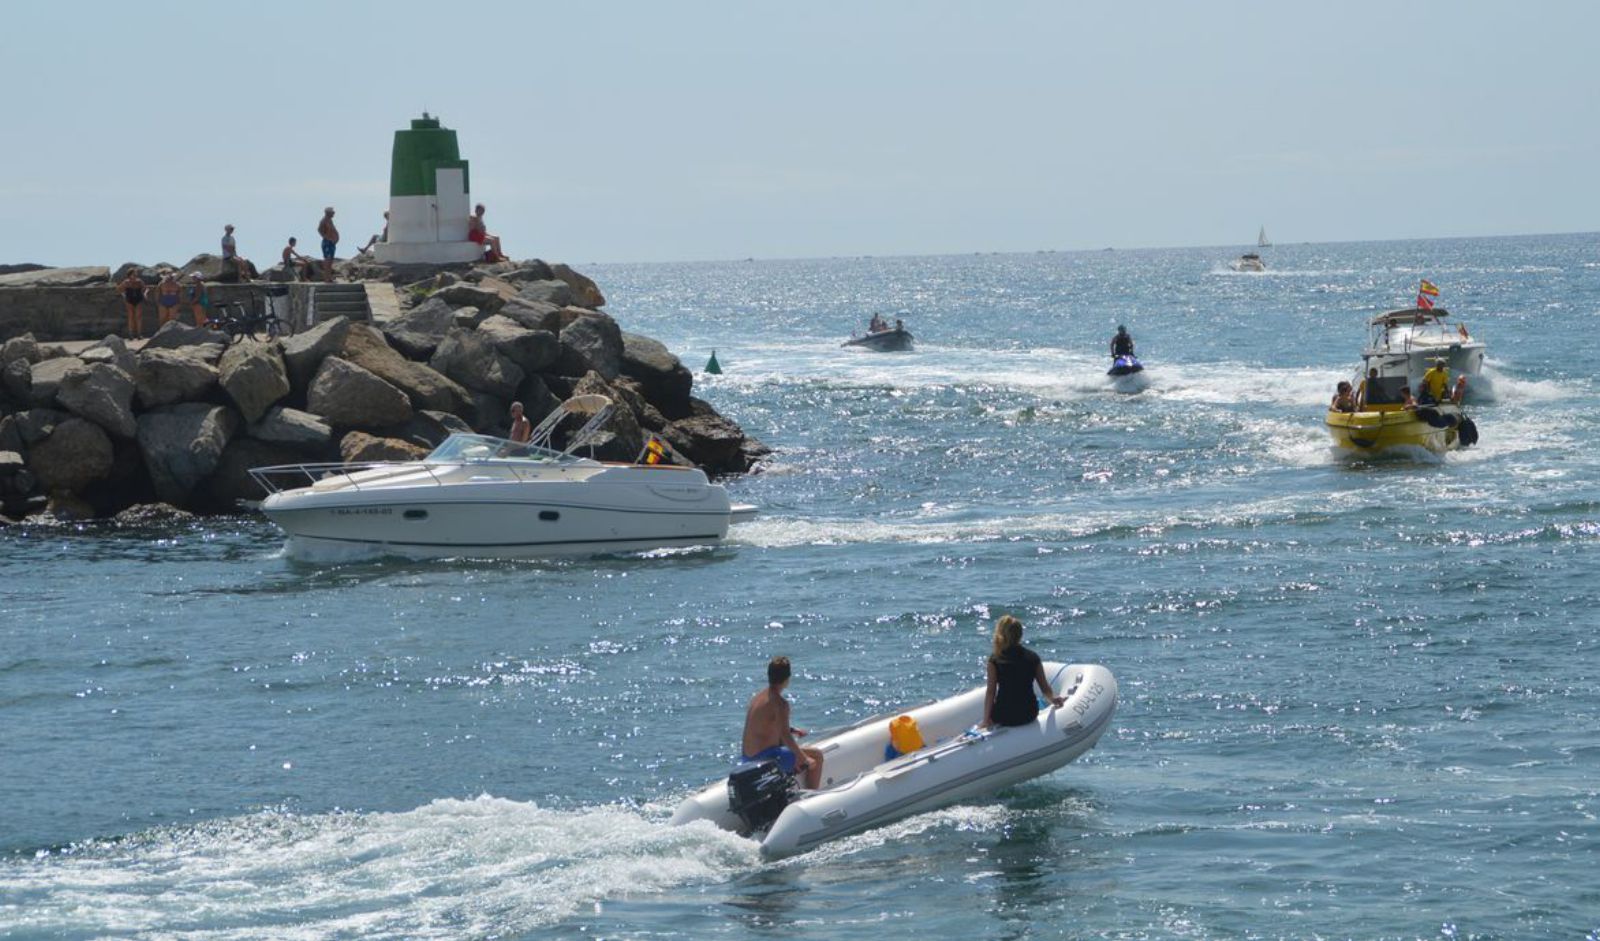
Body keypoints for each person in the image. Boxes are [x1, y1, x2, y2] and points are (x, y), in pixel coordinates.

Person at [741, 656, 824, 790]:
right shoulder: (780, 704)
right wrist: (804, 758)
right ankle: (811, 796)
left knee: (790, 749)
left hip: (747, 758)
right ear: (787, 679)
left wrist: (793, 730)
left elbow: (768, 725)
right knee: (816, 756)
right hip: (766, 759)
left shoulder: (757, 698)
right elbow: (785, 735)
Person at [980, 615, 1065, 729]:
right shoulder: (1033, 657)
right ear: (1020, 635)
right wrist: (1054, 700)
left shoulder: (995, 660)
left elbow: (991, 692)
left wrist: (986, 720)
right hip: (1028, 714)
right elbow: (1045, 689)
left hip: (1003, 716)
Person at [117, 269, 148, 338]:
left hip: (138, 299)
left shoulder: (139, 281)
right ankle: (131, 334)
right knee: (131, 317)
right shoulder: (126, 282)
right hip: (129, 299)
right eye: (133, 274)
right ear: (129, 275)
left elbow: (145, 288)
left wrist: (145, 294)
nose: (135, 275)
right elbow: (119, 289)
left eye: (135, 274)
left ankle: (139, 334)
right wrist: (123, 295)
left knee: (138, 317)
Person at [317, 207, 339, 282]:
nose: (334, 213)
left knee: (330, 261)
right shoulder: (324, 220)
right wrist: (328, 238)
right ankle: (326, 278)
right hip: (327, 243)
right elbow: (319, 230)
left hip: (332, 243)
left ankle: (329, 278)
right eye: (332, 212)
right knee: (327, 260)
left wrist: (335, 238)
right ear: (328, 213)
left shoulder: (330, 220)